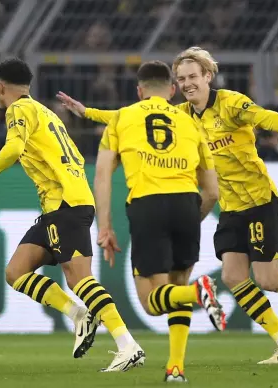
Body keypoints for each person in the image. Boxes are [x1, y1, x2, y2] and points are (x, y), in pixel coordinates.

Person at [57, 46, 278, 364]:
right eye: (181, 79)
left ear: (208, 76)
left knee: (269, 280)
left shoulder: (231, 104)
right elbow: (129, 117)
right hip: (230, 207)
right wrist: (87, 113)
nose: (187, 83)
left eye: (193, 76)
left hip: (259, 200)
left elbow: (265, 117)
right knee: (234, 277)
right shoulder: (180, 115)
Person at [0, 58, 145, 372]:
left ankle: (128, 345)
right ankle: (78, 315)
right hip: (62, 204)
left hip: (65, 204)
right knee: (16, 272)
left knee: (80, 279)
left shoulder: (17, 110)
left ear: (0, 86)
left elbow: (12, 148)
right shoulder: (45, 111)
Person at [93, 61, 223, 382]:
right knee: (175, 289)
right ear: (172, 90)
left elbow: (102, 177)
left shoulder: (122, 117)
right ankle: (175, 367)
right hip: (186, 202)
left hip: (147, 203)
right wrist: (193, 218)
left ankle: (198, 293)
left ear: (139, 92)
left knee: (152, 302)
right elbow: (213, 190)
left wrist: (105, 226)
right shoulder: (191, 122)